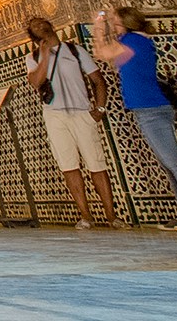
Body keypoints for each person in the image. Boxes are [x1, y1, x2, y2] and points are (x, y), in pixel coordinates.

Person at [92, 6, 177, 231]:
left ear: (126, 22)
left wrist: (98, 26)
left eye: (116, 21)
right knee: (169, 165)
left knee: (176, 164)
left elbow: (103, 53)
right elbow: (105, 53)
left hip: (153, 110)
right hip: (146, 110)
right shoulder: (132, 41)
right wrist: (101, 27)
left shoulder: (136, 41)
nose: (113, 23)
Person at [24, 17, 125, 229]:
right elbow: (35, 82)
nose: (40, 25)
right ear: (33, 36)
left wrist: (100, 109)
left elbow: (98, 80)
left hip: (82, 113)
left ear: (51, 26)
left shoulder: (75, 51)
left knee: (96, 164)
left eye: (42, 22)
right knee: (69, 166)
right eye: (34, 26)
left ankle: (111, 216)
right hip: (54, 115)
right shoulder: (32, 57)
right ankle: (85, 216)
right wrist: (43, 56)